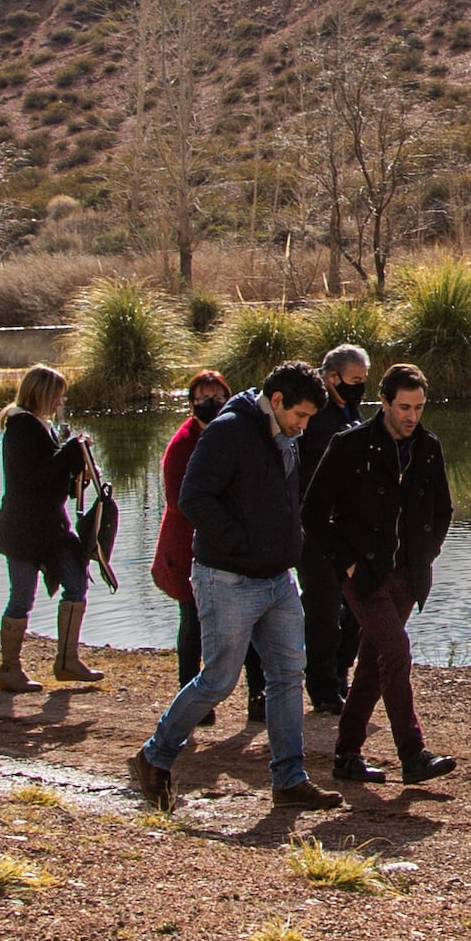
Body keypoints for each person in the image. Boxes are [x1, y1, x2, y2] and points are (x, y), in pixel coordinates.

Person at [131, 362, 339, 815]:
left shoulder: (283, 432)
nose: (303, 427)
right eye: (300, 416)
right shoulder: (228, 431)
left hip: (278, 578)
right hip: (227, 577)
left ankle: (289, 780)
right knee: (219, 679)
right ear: (277, 400)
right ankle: (154, 755)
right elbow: (193, 498)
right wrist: (242, 544)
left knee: (287, 677)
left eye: (308, 419)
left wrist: (289, 545)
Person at [305, 361, 459, 789]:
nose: (412, 416)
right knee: (396, 652)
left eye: (419, 407)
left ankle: (347, 754)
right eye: (404, 407)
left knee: (374, 664)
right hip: (363, 576)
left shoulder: (428, 447)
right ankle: (412, 754)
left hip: (407, 577)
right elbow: (313, 513)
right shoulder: (349, 445)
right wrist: (347, 563)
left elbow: (443, 510)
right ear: (385, 402)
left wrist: (425, 556)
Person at [0, 366, 109, 703]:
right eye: (57, 394)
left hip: (49, 527)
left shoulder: (39, 427)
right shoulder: (21, 430)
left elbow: (51, 478)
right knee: (22, 597)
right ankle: (10, 669)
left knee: (76, 583)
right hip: (25, 530)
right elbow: (36, 477)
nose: (60, 401)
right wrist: (71, 452)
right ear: (42, 394)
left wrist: (77, 462)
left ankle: (67, 661)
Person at [296, 343, 377, 720]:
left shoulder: (351, 410)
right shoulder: (313, 416)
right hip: (315, 529)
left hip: (348, 528)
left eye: (364, 381)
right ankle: (324, 690)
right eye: (355, 380)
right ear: (332, 378)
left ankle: (338, 674)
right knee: (323, 609)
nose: (360, 387)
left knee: (356, 608)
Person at [151, 364, 228, 702]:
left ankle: (256, 697)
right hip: (185, 545)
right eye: (203, 398)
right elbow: (178, 501)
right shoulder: (182, 445)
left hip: (223, 542)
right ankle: (189, 696)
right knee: (193, 619)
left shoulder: (234, 434)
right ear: (191, 403)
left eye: (217, 397)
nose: (211, 402)